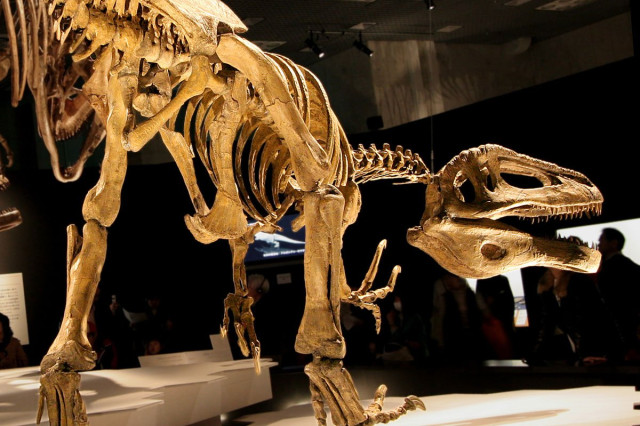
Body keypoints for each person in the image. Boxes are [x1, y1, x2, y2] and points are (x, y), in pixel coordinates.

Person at [532, 267, 611, 366]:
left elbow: (591, 319)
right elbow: (546, 322)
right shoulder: (544, 283)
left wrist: (589, 352)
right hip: (565, 352)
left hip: (589, 353)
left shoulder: (579, 280)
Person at [597, 228, 640, 363]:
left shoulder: (615, 267)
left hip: (620, 326)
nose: (598, 243)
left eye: (602, 240)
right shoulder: (629, 266)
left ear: (614, 243)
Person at [430, 271, 487, 363]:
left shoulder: (470, 294)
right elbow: (440, 318)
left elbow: (483, 311)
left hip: (472, 335)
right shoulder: (446, 297)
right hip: (454, 337)